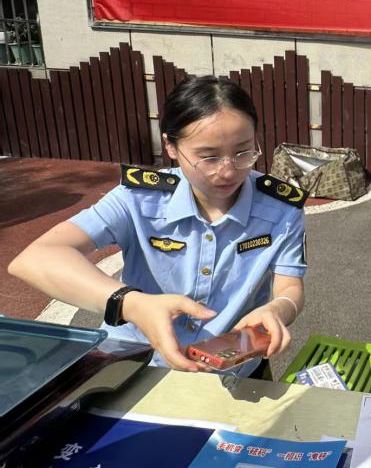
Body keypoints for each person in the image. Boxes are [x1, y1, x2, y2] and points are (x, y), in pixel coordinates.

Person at [8, 75, 308, 376]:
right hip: (132, 367)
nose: (228, 171)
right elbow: (36, 259)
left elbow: (290, 286)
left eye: (243, 152)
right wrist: (132, 305)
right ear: (170, 146)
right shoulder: (138, 199)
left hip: (231, 371)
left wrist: (278, 309)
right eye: (208, 157)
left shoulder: (282, 208)